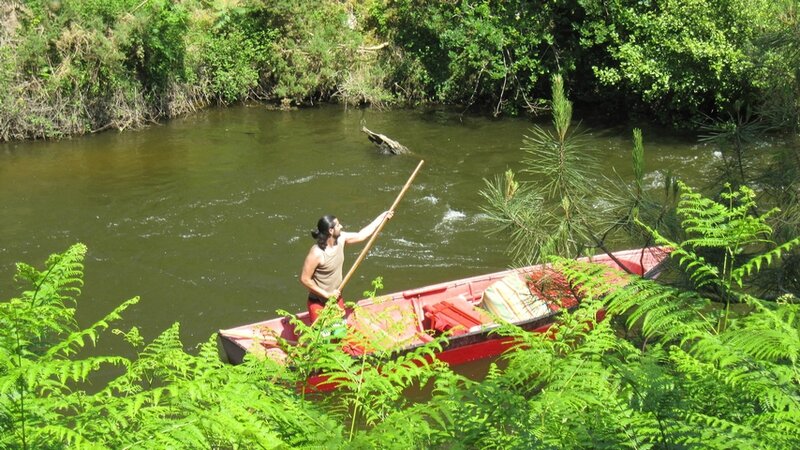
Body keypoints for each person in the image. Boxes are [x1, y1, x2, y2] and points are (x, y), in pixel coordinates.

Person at [300, 210, 393, 322]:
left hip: (336, 298)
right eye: (338, 225)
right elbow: (305, 279)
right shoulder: (317, 253)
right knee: (324, 337)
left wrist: (382, 217)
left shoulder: (341, 238)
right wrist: (327, 294)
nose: (341, 226)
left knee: (339, 333)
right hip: (319, 303)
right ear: (330, 230)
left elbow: (361, 235)